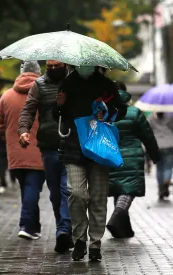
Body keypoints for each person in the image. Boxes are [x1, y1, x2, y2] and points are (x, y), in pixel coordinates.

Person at [53, 66, 127, 262]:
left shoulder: (106, 84)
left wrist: (107, 112)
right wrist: (59, 105)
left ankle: (95, 243)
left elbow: (121, 109)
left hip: (98, 149)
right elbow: (57, 115)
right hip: (73, 146)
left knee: (98, 197)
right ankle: (79, 239)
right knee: (76, 193)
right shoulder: (67, 83)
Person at [18, 60, 73, 253]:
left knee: (67, 189)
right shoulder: (39, 85)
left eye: (56, 66)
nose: (52, 69)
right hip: (49, 145)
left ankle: (64, 231)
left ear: (65, 65)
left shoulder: (74, 82)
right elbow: (28, 109)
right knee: (55, 193)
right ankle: (63, 229)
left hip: (72, 144)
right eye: (48, 66)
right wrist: (24, 130)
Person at [0, 61, 46, 240]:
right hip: (39, 150)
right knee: (32, 188)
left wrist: (7, 133)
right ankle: (26, 225)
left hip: (15, 151)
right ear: (39, 73)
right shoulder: (45, 94)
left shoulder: (7, 96)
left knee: (27, 188)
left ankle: (34, 226)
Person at [107, 82, 160, 238]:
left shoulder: (104, 113)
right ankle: (117, 216)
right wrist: (155, 156)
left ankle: (124, 229)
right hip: (132, 157)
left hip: (111, 156)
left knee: (119, 187)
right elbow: (148, 137)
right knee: (128, 189)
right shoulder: (134, 112)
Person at [148, 112, 173, 200]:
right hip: (170, 144)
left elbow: (148, 130)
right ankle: (166, 183)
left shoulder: (151, 117)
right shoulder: (171, 116)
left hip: (157, 145)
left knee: (159, 168)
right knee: (168, 167)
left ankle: (161, 188)